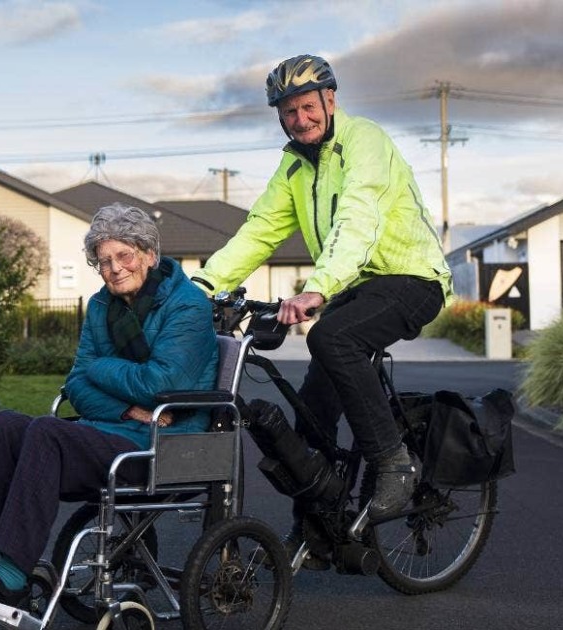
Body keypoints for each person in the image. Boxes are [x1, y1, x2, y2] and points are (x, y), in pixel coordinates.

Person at [0, 202, 219, 612]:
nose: (115, 268)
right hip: (116, 430)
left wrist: (102, 369)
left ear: (149, 255)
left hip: (166, 442)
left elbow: (161, 384)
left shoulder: (187, 306)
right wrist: (122, 408)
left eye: (124, 255)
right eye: (104, 261)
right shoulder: (103, 306)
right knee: (4, 424)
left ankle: (10, 580)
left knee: (47, 432)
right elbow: (76, 384)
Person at [190, 55, 453, 549]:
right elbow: (260, 232)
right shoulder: (293, 166)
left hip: (410, 277)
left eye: (307, 107)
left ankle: (393, 462)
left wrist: (319, 287)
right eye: (288, 112)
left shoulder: (364, 141)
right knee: (311, 413)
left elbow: (359, 217)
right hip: (353, 287)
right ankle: (314, 532)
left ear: (330, 100)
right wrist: (198, 290)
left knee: (332, 336)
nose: (299, 119)